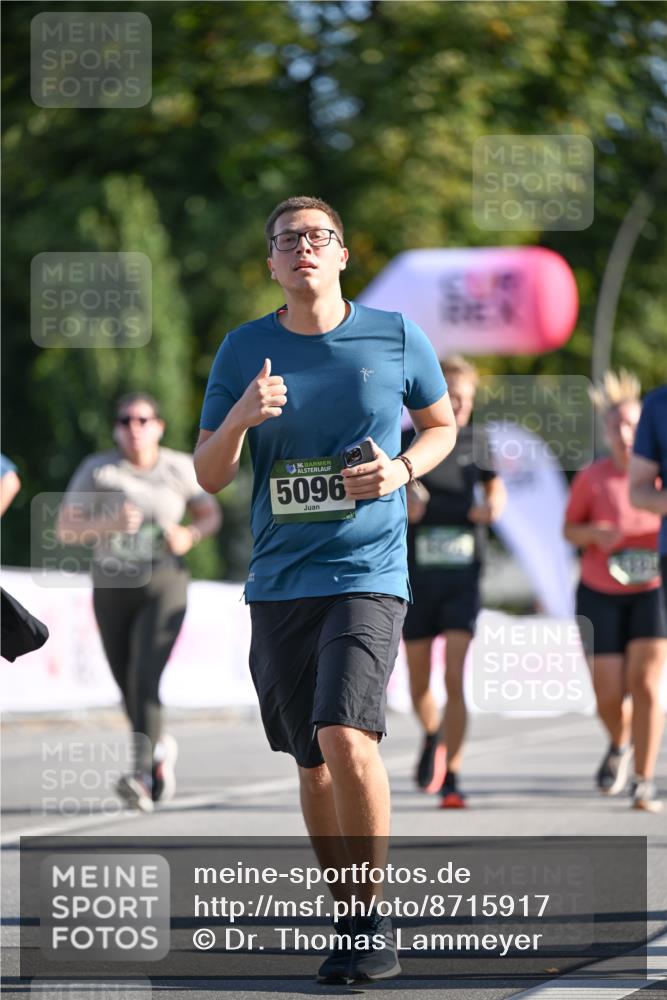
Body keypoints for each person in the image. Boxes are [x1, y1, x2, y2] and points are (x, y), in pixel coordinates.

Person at [195, 195, 456, 983]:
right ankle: (345, 914)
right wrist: (240, 416)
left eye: (318, 237)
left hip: (367, 572)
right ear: (272, 263)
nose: (303, 248)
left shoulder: (395, 335)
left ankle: (371, 919)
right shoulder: (244, 350)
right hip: (279, 579)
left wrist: (403, 469)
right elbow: (209, 475)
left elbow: (440, 425)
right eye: (287, 240)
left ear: (342, 253)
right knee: (309, 760)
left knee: (347, 735)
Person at [57, 392, 221, 812]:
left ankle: (142, 776)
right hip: (112, 583)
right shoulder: (99, 469)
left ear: (159, 427)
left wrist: (190, 535)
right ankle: (158, 745)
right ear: (116, 428)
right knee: (125, 681)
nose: (134, 427)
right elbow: (65, 529)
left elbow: (210, 514)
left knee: (145, 675)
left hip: (163, 580)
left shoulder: (178, 466)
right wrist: (107, 523)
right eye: (126, 420)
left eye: (143, 419)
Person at [402, 356, 505, 808]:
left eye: (467, 399)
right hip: (416, 574)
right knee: (419, 680)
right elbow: (393, 492)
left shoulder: (480, 442)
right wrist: (407, 501)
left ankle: (454, 775)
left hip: (463, 574)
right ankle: (432, 734)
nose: (460, 407)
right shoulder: (408, 440)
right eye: (453, 398)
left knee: (455, 676)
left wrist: (492, 508)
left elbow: (495, 490)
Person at [564, 371, 666, 813]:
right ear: (606, 430)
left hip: (651, 589)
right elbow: (567, 530)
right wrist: (591, 533)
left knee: (645, 685)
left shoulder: (657, 478)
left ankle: (644, 781)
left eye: (631, 425)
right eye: (615, 426)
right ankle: (619, 742)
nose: (624, 434)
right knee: (607, 693)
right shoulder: (593, 477)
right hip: (599, 591)